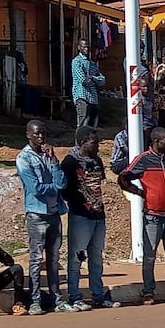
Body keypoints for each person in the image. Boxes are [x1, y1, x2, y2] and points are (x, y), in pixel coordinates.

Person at [119, 127, 165, 304]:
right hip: (152, 215)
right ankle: (148, 291)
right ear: (156, 142)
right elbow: (123, 177)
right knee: (149, 255)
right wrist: (139, 192)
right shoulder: (144, 159)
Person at [15, 120, 67, 314]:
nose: (41, 137)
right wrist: (56, 188)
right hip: (37, 214)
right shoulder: (23, 158)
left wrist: (54, 161)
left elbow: (62, 181)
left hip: (54, 213)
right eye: (36, 134)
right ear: (28, 134)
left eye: (43, 133)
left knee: (54, 259)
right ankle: (35, 300)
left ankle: (57, 298)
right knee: (36, 259)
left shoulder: (48, 155)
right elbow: (35, 188)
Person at [58, 128, 114, 310]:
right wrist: (81, 204)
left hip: (99, 215)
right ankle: (75, 296)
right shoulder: (70, 162)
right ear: (82, 142)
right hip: (81, 217)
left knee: (96, 257)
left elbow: (98, 185)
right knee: (77, 257)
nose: (97, 146)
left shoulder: (97, 160)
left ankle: (98, 295)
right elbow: (64, 190)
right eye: (94, 143)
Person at [70, 38, 105, 129]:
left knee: (92, 125)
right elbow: (83, 80)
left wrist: (93, 78)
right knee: (83, 123)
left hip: (93, 98)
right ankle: (79, 143)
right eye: (84, 47)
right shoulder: (76, 62)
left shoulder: (92, 64)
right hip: (82, 96)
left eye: (87, 47)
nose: (86, 49)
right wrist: (94, 80)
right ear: (79, 47)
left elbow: (102, 80)